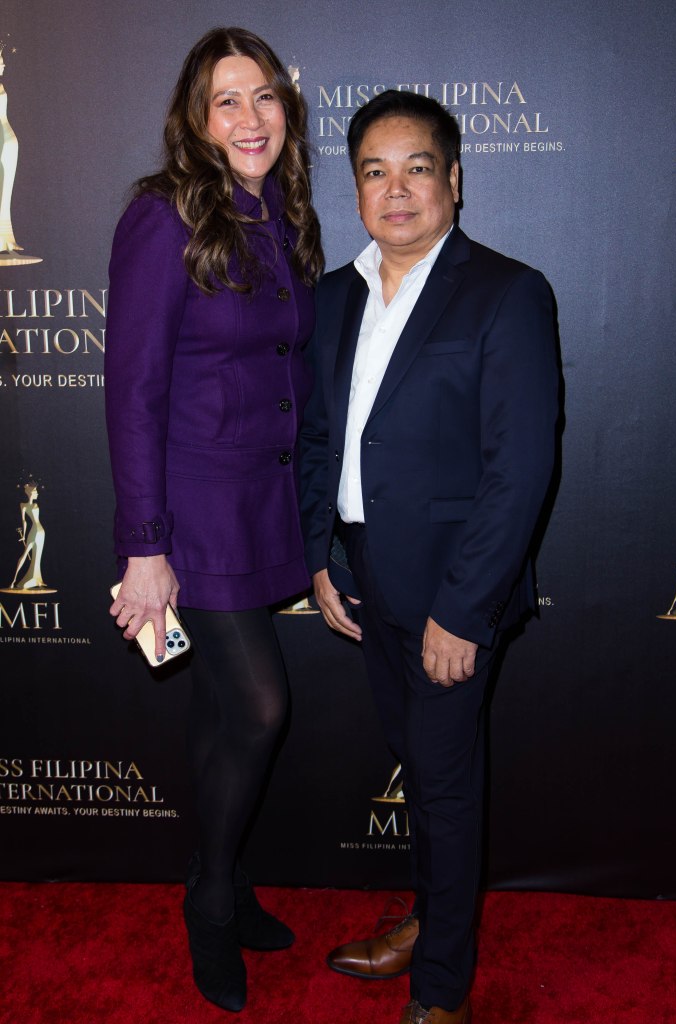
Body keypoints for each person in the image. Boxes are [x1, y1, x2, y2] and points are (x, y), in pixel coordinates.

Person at [299, 90, 558, 1024]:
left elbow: (519, 470)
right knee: (413, 761)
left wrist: (464, 610)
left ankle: (441, 991)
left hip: (453, 591)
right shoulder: (334, 295)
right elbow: (320, 441)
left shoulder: (506, 292)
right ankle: (428, 918)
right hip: (365, 577)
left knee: (444, 787)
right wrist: (319, 557)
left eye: (416, 168)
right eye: (375, 171)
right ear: (355, 188)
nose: (396, 189)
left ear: (453, 178)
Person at [105, 27, 323, 1013]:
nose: (249, 117)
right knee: (262, 705)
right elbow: (133, 389)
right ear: (195, 121)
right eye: (226, 100)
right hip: (194, 511)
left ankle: (220, 876)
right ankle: (212, 900)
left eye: (264, 95)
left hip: (262, 504)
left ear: (287, 109)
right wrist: (144, 546)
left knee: (222, 709)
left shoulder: (283, 215)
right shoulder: (164, 216)